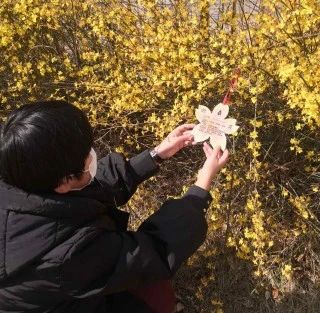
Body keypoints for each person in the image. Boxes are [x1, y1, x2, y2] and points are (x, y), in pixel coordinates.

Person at [0, 100, 229, 313]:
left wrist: (157, 154)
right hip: (68, 304)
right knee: (155, 296)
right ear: (63, 182)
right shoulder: (65, 257)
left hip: (62, 287)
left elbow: (90, 187)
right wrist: (200, 190)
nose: (92, 157)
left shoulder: (22, 175)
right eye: (86, 157)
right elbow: (152, 252)